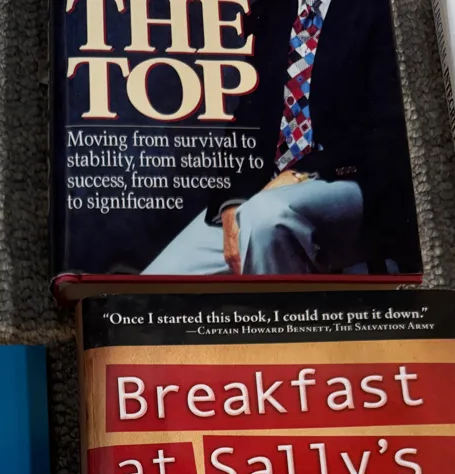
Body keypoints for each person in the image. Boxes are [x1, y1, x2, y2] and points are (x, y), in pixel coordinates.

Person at [143, 0, 419, 278]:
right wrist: (231, 203)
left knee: (265, 218)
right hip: (265, 191)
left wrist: (303, 172)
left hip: (350, 181)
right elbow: (249, 116)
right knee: (157, 282)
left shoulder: (382, 9)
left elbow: (387, 132)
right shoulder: (277, 8)